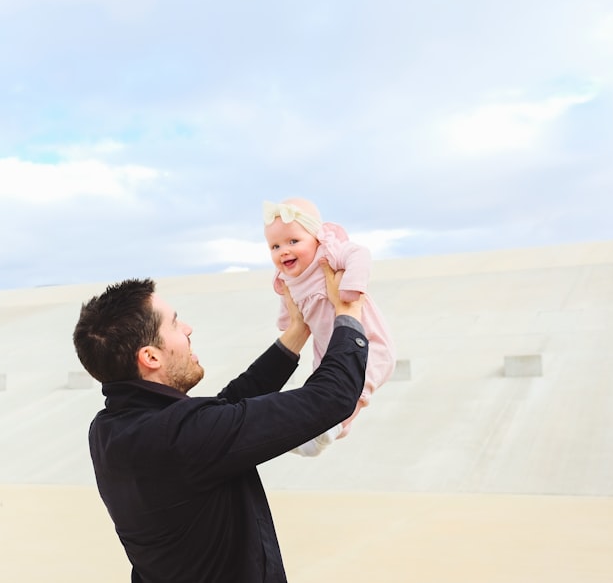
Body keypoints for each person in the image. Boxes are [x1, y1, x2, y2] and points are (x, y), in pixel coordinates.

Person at [72, 263, 368, 583]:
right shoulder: (181, 437)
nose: (188, 328)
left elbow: (222, 412)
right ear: (151, 357)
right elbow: (332, 397)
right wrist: (349, 309)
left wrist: (296, 333)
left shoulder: (108, 429)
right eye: (174, 325)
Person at [263, 197, 396, 456]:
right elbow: (288, 304)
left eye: (293, 241)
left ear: (317, 237)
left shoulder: (329, 253)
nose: (283, 251)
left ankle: (328, 429)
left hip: (366, 341)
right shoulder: (286, 277)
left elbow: (360, 254)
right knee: (321, 388)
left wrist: (352, 286)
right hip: (327, 349)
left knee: (354, 385)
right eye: (275, 246)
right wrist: (288, 322)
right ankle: (317, 431)